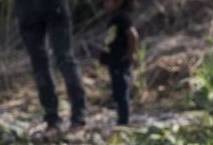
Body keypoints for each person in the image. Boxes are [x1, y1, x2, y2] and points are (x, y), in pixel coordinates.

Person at [14, 0, 86, 132]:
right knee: (65, 58)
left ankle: (53, 121)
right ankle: (77, 119)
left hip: (27, 8)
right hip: (52, 6)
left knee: (40, 64)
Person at [99, 0, 139, 126]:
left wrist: (131, 54)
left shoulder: (123, 18)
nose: (105, 4)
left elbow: (133, 35)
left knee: (122, 92)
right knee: (118, 92)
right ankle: (121, 120)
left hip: (121, 61)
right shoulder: (114, 19)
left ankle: (124, 122)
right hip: (114, 61)